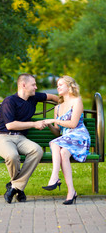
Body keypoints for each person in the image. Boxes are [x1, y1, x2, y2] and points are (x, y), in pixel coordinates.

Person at [0, 73, 58, 204]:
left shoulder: (33, 98)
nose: (36, 87)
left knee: (37, 150)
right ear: (23, 85)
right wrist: (34, 124)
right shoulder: (9, 101)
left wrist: (67, 102)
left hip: (21, 138)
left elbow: (52, 96)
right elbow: (10, 125)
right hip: (3, 137)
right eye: (33, 84)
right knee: (12, 156)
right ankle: (19, 188)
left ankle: (14, 186)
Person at [42, 75, 90, 205]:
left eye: (60, 85)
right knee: (63, 153)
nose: (58, 87)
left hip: (79, 136)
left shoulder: (77, 101)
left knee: (53, 143)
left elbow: (74, 124)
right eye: (57, 85)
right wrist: (50, 124)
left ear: (69, 86)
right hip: (65, 138)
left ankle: (54, 177)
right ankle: (71, 192)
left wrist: (54, 120)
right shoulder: (58, 107)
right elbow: (58, 131)